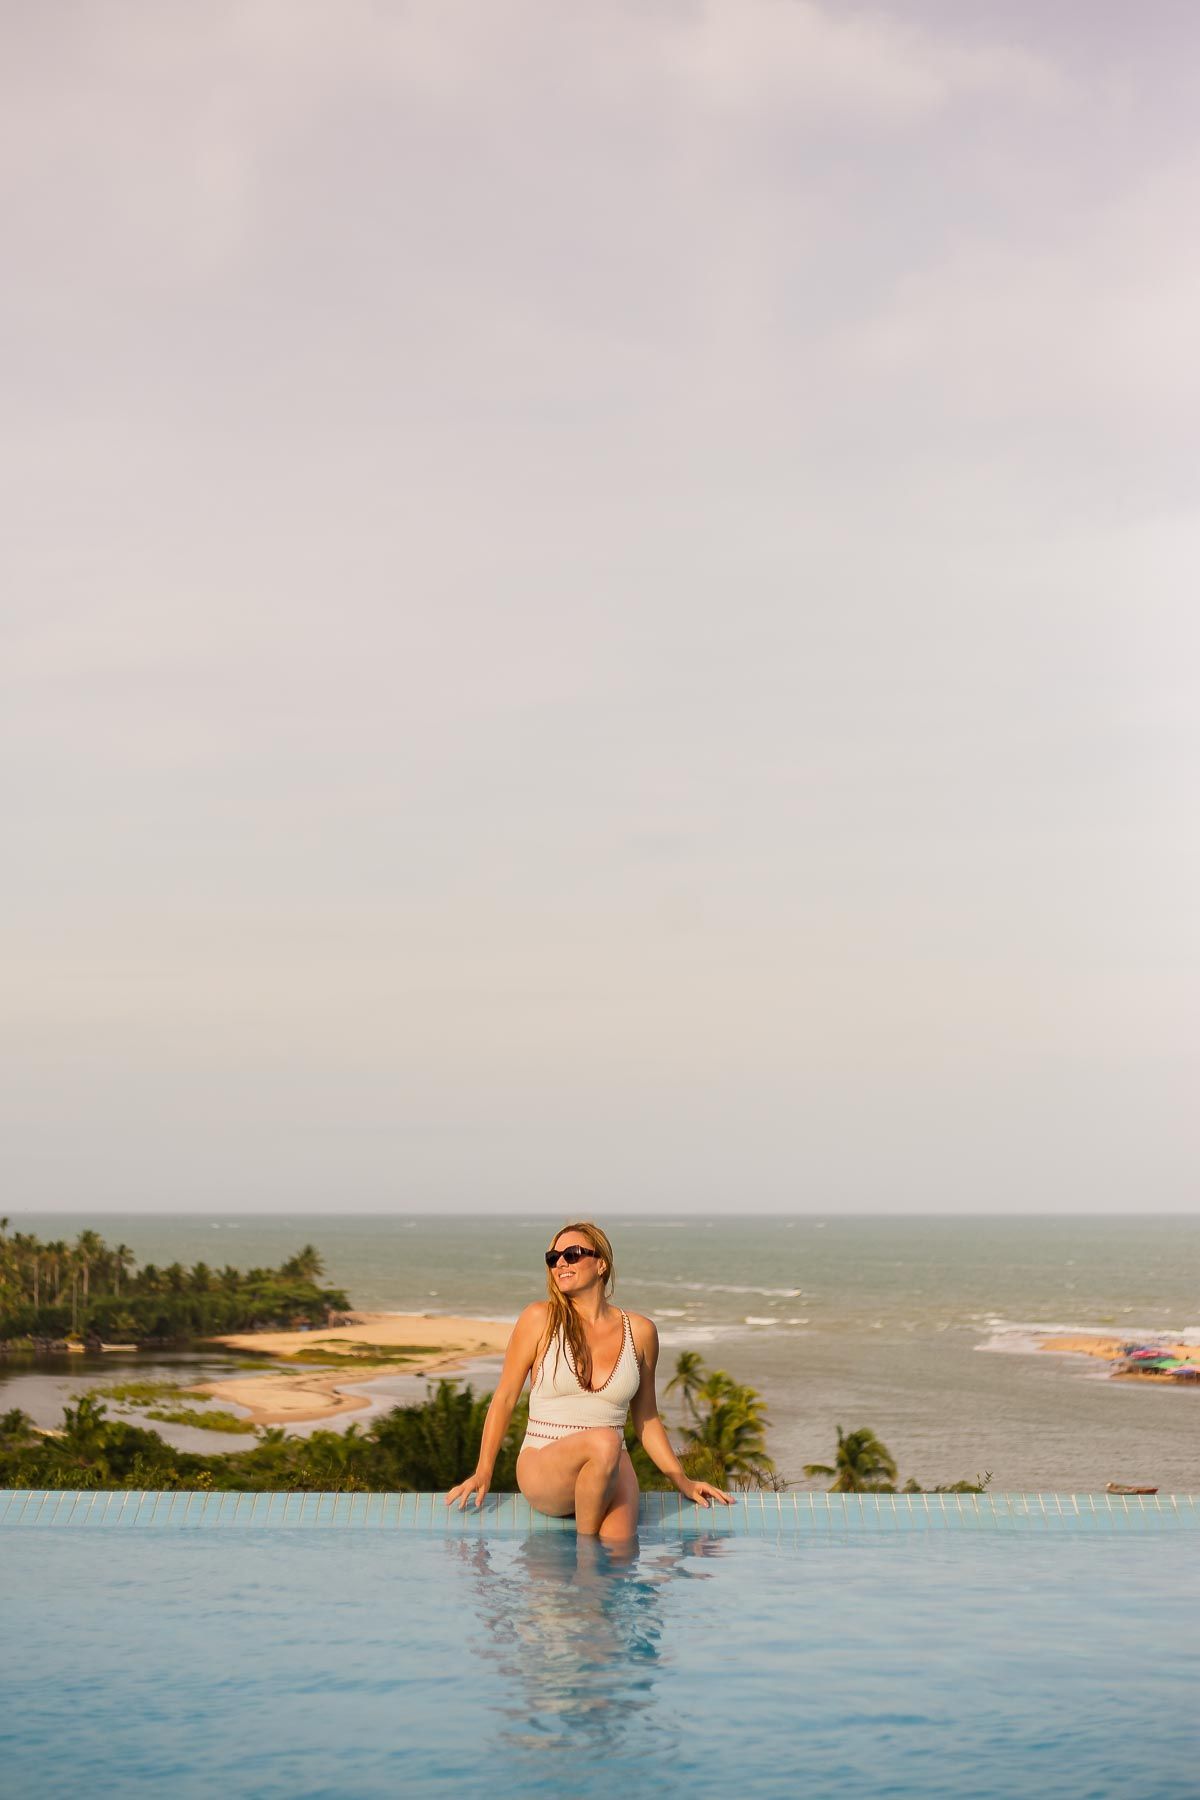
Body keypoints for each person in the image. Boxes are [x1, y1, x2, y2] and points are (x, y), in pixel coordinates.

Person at [446, 1220, 732, 1538]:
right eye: (553, 1257)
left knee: (620, 1549)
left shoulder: (640, 1332)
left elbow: (646, 1417)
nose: (561, 1263)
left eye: (573, 1254)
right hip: (545, 1461)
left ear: (601, 1264)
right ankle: (585, 1564)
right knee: (606, 1440)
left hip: (611, 1464)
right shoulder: (539, 1319)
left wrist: (682, 1479)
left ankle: (593, 1579)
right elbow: (504, 1397)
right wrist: (484, 1470)